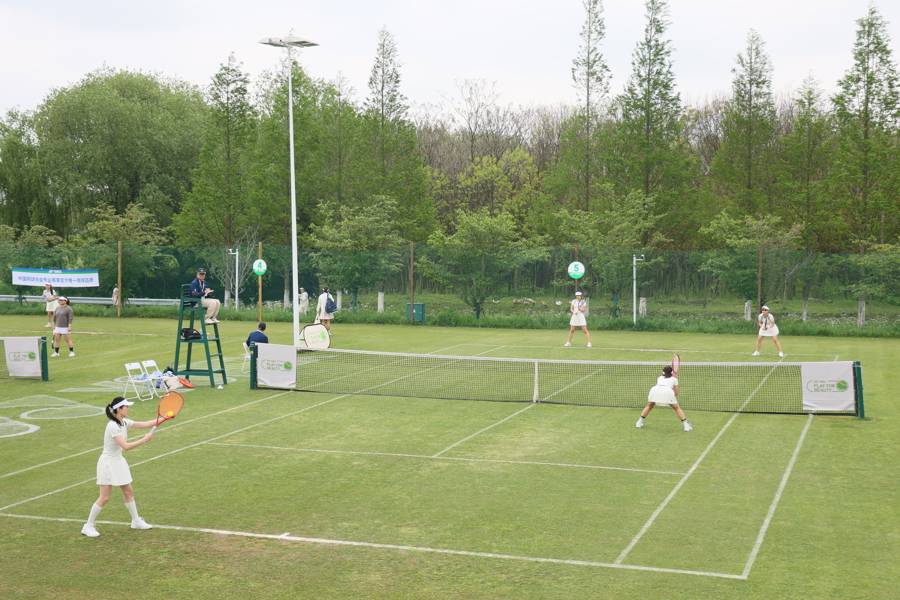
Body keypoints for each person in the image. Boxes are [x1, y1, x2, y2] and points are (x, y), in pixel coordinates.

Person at [81, 396, 155, 538]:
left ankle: (136, 521)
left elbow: (144, 424)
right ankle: (88, 526)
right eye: (126, 406)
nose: (128, 408)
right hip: (108, 463)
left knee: (128, 492)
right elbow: (126, 446)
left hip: (118, 461)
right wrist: (144, 440)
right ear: (118, 409)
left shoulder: (124, 422)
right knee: (105, 497)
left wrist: (162, 419)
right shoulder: (113, 426)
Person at [636, 366, 692, 432]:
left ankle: (639, 423)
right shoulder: (674, 379)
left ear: (663, 372)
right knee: (676, 408)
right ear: (671, 372)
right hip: (667, 391)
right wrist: (675, 381)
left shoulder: (659, 378)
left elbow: (665, 376)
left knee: (649, 405)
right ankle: (686, 426)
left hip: (654, 390)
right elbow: (676, 393)